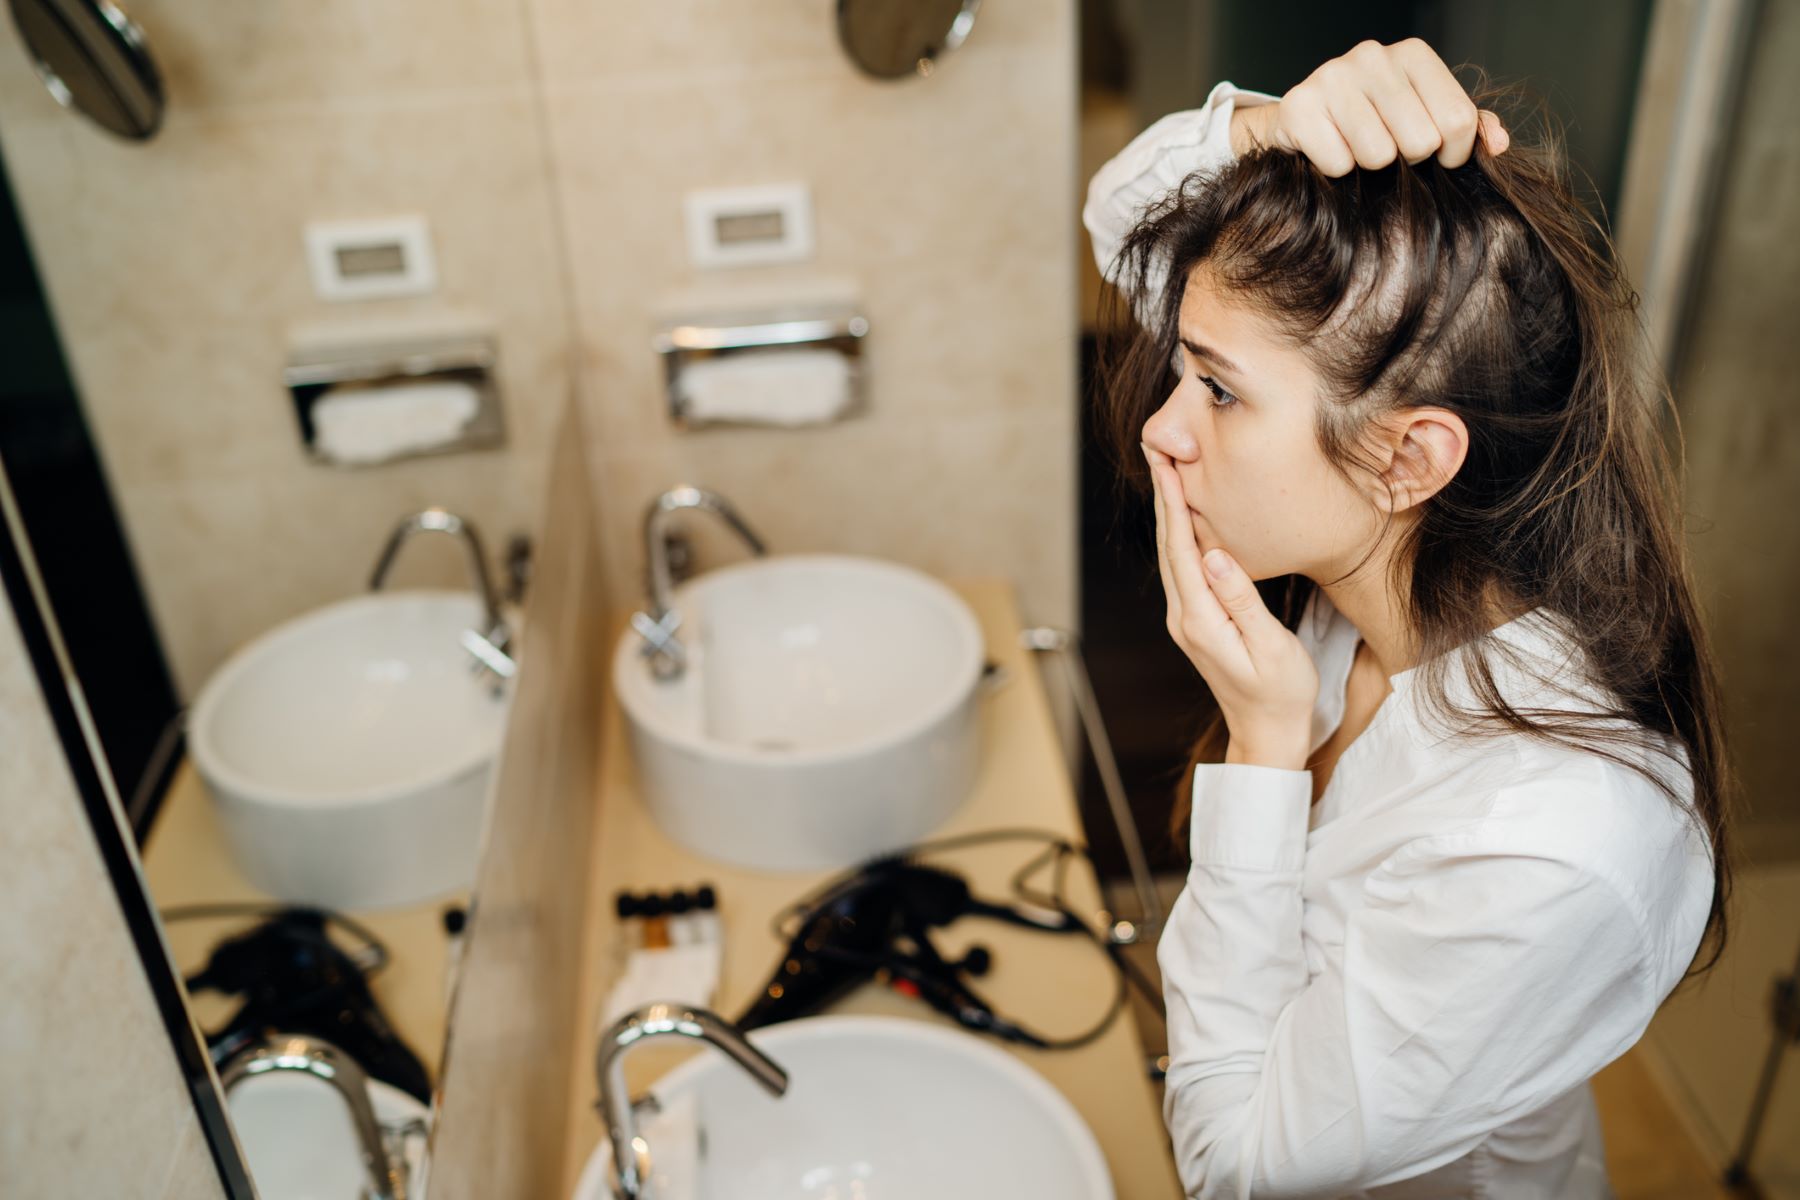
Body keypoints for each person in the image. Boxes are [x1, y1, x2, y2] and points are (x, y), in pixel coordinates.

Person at [1083, 38, 1729, 1199]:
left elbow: (1234, 1166)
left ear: (1408, 458)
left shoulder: (1548, 840)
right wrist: (1274, 130)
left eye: (1217, 391)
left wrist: (1264, 751)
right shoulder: (1394, 571)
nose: (1163, 431)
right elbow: (1118, 213)